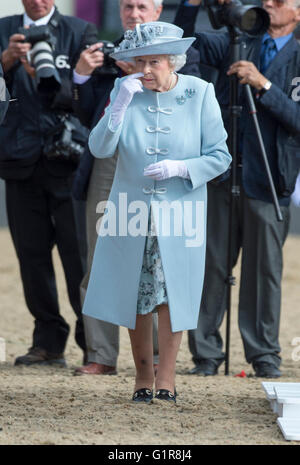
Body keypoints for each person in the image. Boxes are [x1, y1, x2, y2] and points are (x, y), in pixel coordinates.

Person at [82, 21, 231, 402]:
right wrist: (118, 106)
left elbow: (220, 156)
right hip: (130, 211)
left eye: (154, 62)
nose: (145, 70)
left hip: (180, 211)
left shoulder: (200, 92)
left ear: (173, 61)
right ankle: (141, 377)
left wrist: (182, 168)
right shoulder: (123, 90)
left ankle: (167, 379)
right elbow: (100, 148)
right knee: (135, 292)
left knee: (171, 293)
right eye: (139, 62)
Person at [72, 0, 201, 376]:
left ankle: (161, 359)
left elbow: (185, 87)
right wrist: (83, 76)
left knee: (164, 258)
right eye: (127, 6)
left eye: (142, 6)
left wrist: (149, 71)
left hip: (161, 160)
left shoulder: (175, 51)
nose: (133, 12)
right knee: (101, 255)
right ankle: (100, 353)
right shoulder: (105, 52)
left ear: (158, 11)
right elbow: (85, 116)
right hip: (111, 157)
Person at [174, 0, 300, 378]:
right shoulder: (238, 37)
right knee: (210, 265)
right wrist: (191, 7)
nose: (269, 4)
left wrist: (263, 84)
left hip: (269, 178)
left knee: (264, 271)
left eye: (280, 0)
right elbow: (182, 48)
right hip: (222, 175)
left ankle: (263, 354)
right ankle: (206, 354)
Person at [0, 0, 98, 367]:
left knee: (79, 256)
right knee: (31, 256)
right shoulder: (4, 28)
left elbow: (86, 96)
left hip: (67, 160)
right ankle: (47, 341)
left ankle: (93, 343)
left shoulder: (78, 32)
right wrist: (6, 61)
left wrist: (56, 80)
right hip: (19, 159)